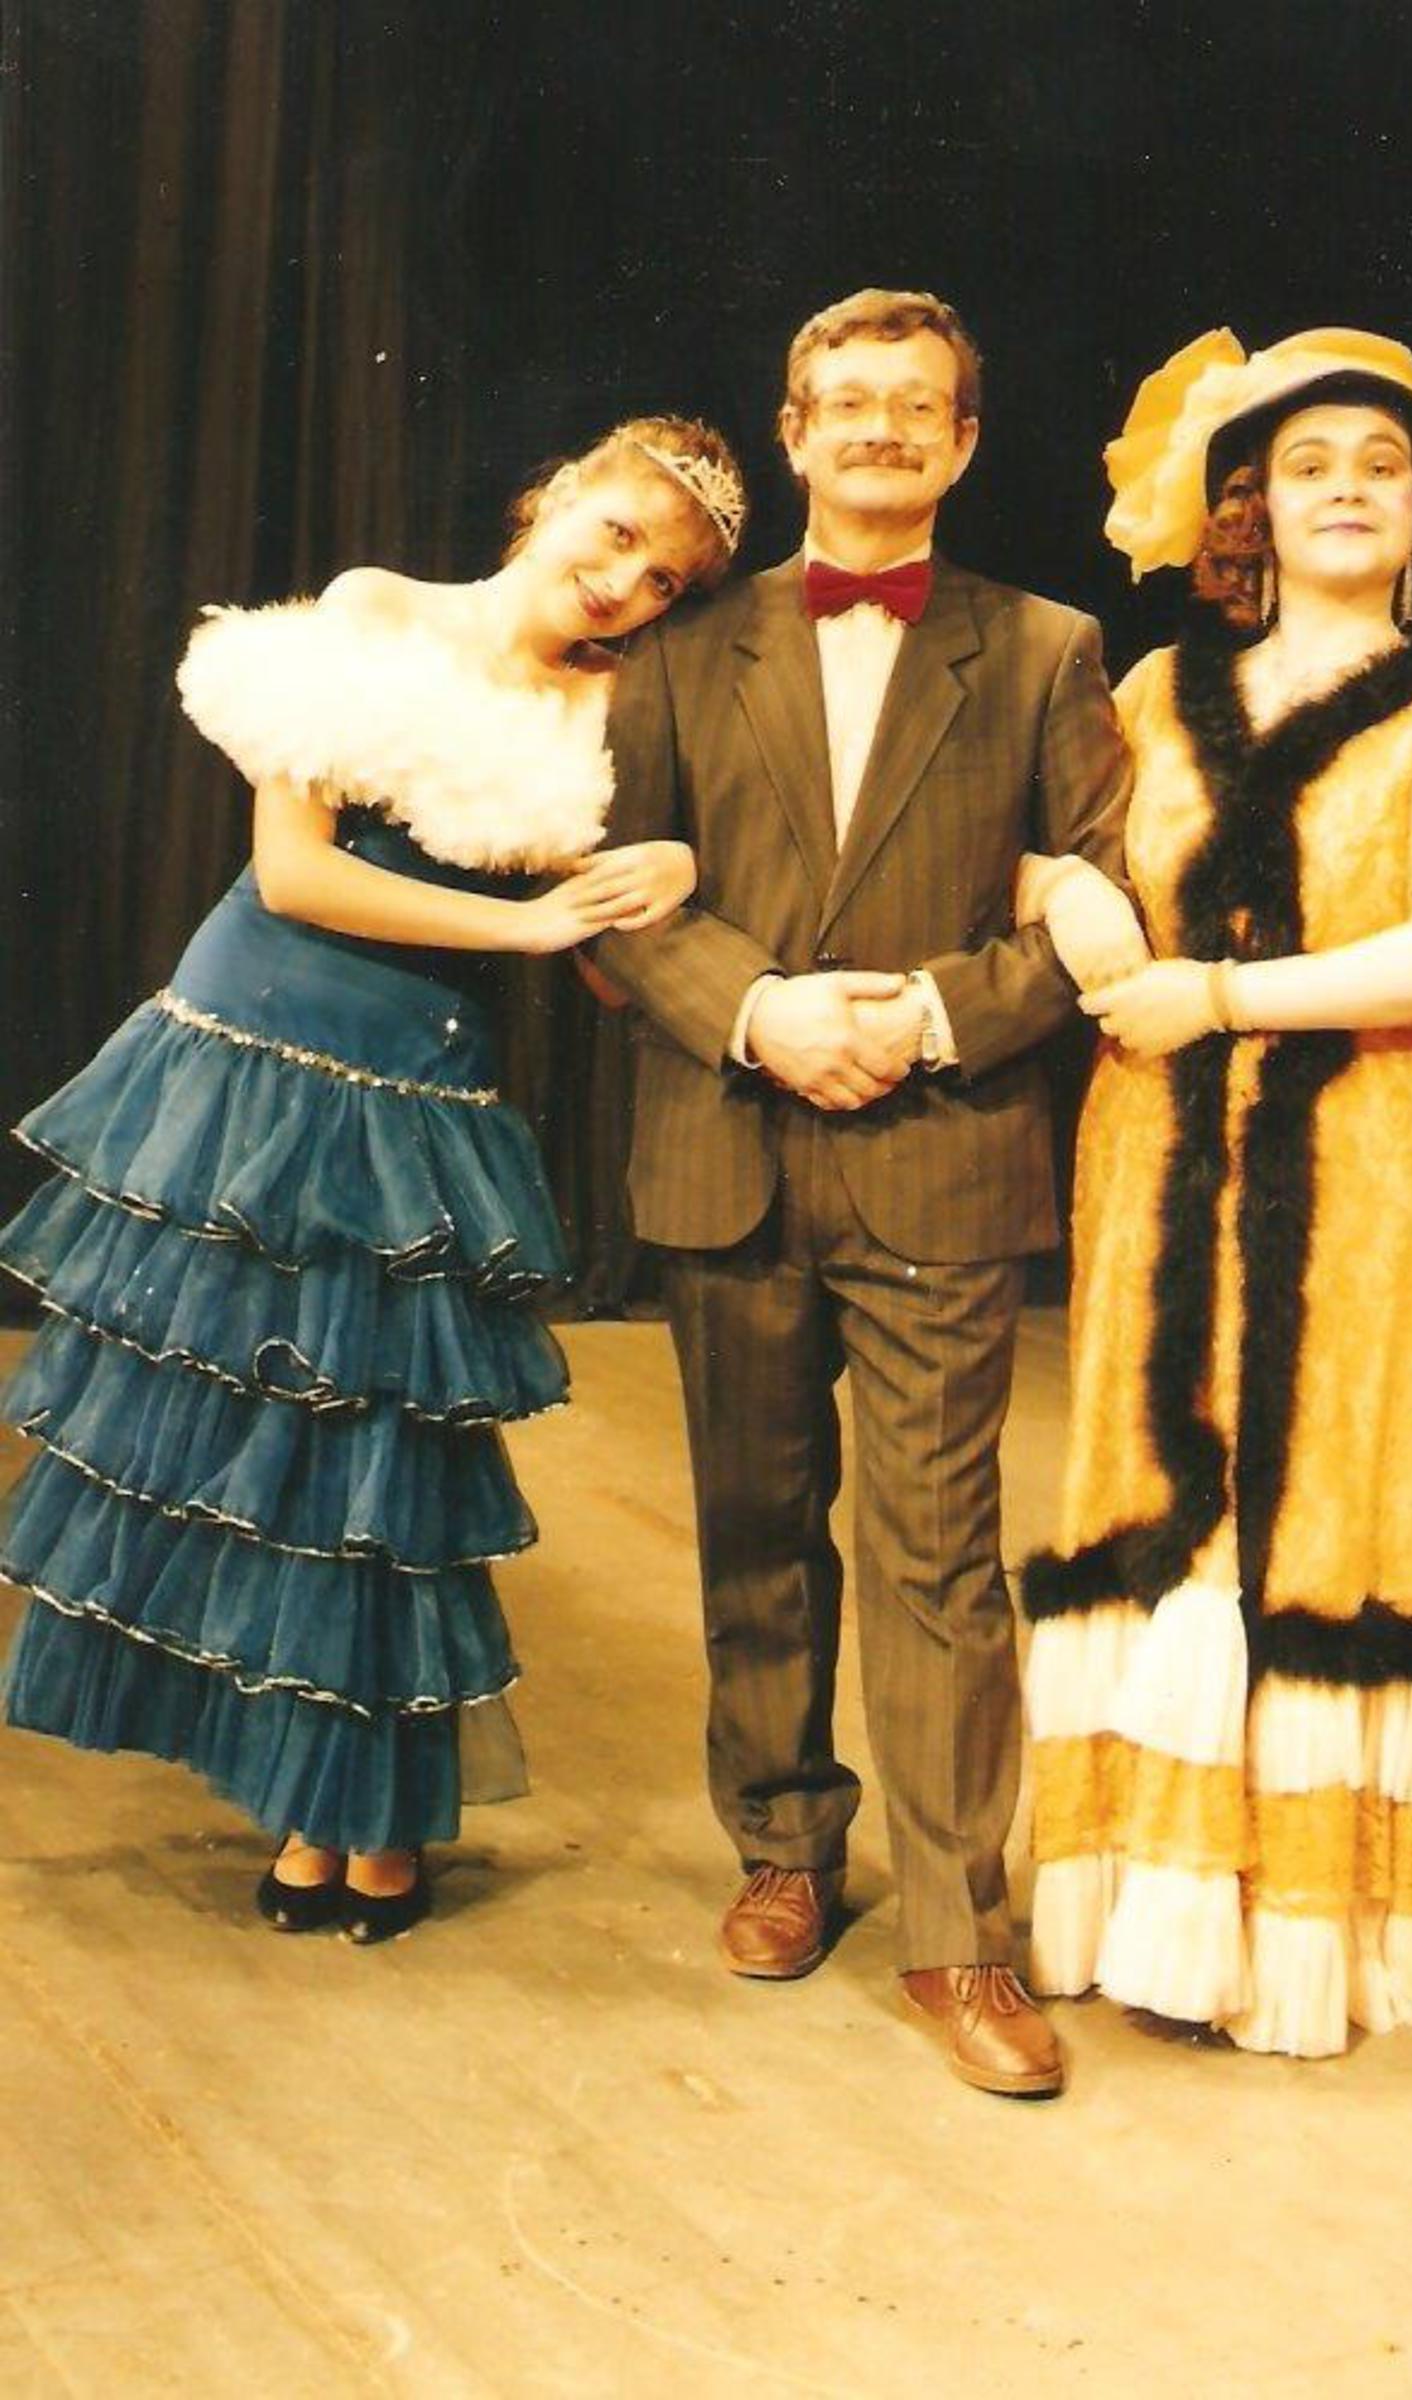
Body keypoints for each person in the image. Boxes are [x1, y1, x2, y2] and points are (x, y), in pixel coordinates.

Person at [0, 414, 746, 1943]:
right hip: (246, 1049)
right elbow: (295, 873)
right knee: (233, 1440)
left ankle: (366, 1811)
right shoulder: (377, 609)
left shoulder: (625, 706)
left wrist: (670, 870)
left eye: (664, 579)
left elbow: (616, 936)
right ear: (554, 497)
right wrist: (525, 926)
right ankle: (293, 1792)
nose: (624, 582)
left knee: (374, 1472)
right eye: (616, 534)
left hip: (415, 1087)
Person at [593, 289, 1140, 2097]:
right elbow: (616, 892)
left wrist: (920, 1016)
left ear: (963, 443)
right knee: (754, 1527)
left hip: (939, 1154)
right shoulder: (680, 644)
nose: (880, 429)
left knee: (937, 1557)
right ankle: (781, 1846)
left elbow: (1098, 911)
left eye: (917, 405)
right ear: (795, 432)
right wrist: (759, 1013)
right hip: (728, 1142)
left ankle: (960, 1933)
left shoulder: (1046, 648)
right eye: (848, 402)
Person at [1017, 328, 1412, 2056]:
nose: (1342, 491)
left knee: (1323, 1494)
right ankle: (1143, 1892)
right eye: (1305, 466)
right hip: (1155, 1136)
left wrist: (1220, 997)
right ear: (1246, 507)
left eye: (1378, 467)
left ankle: (1303, 1927)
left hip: (1360, 1148)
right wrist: (1077, 909)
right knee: (1157, 1476)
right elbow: (1054, 850)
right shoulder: (1157, 692)